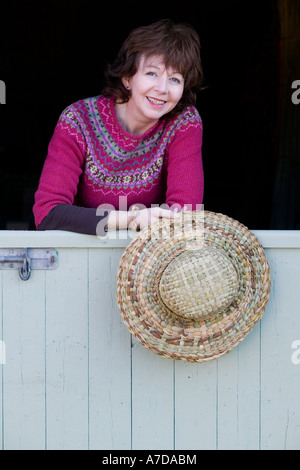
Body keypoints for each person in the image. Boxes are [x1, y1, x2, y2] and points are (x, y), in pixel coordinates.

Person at [33, 19, 205, 236]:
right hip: (82, 254)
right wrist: (130, 219)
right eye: (151, 73)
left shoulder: (183, 122)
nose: (162, 89)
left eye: (175, 79)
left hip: (153, 259)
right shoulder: (78, 120)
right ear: (127, 77)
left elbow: (185, 215)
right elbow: (48, 214)